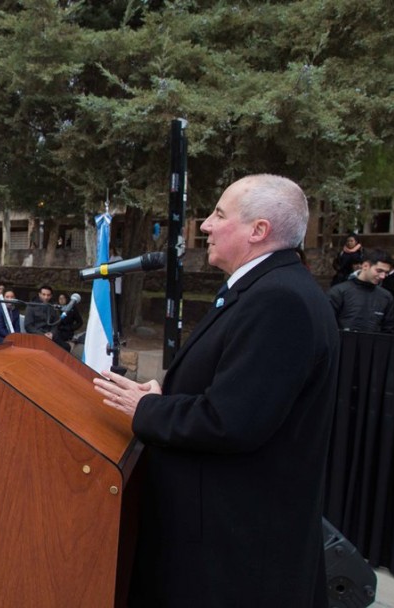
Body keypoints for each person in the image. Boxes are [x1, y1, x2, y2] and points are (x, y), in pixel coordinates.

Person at [92, 174, 339, 607]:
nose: (204, 224)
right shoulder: (263, 288)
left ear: (258, 231)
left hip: (233, 552)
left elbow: (232, 422)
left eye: (219, 214)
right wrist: (167, 398)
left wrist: (147, 409)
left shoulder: (279, 300)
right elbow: (237, 387)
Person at [327, 248, 394, 333]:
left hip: (373, 344)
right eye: (379, 271)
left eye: (386, 273)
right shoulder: (338, 292)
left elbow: (388, 330)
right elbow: (327, 326)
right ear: (365, 266)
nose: (382, 276)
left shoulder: (386, 297)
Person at [24, 285, 69, 351]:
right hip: (37, 335)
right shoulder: (31, 306)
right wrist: (43, 335)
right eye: (44, 294)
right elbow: (28, 326)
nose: (46, 297)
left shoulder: (53, 306)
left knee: (66, 348)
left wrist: (52, 333)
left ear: (51, 296)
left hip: (51, 335)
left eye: (48, 295)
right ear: (39, 294)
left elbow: (56, 323)